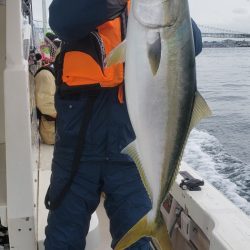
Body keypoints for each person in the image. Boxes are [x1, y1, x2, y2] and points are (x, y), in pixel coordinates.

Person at [44, 0, 203, 249]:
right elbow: (61, 21)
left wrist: (173, 20)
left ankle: (153, 222)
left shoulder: (148, 9)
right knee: (62, 239)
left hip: (129, 146)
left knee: (138, 243)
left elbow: (194, 42)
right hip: (77, 147)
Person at [34, 33, 60, 145]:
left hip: (66, 129)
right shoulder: (46, 74)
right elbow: (46, 106)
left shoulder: (60, 71)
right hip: (53, 133)